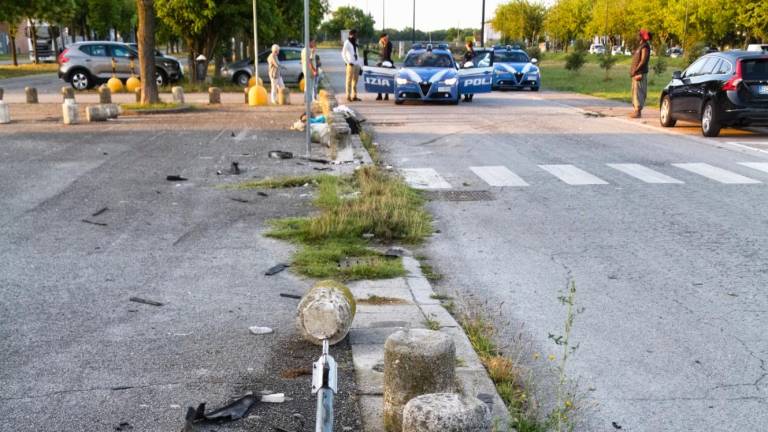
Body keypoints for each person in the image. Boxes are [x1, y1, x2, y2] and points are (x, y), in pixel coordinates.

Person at [629, 30, 652, 118]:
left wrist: (636, 70)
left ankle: (638, 111)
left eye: (639, 35)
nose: (637, 37)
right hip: (636, 73)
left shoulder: (645, 47)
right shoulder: (640, 46)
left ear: (642, 37)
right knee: (635, 91)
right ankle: (636, 110)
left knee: (639, 92)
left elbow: (643, 61)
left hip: (640, 73)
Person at [342, 29, 362, 102]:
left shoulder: (355, 43)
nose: (357, 36)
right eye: (356, 34)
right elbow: (343, 53)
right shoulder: (347, 42)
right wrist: (347, 62)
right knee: (349, 80)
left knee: (355, 81)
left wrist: (360, 65)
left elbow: (357, 54)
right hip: (350, 64)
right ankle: (348, 96)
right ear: (352, 34)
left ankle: (354, 96)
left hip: (356, 64)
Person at [376, 33, 394, 101]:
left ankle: (386, 95)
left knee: (387, 79)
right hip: (380, 62)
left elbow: (387, 54)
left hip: (387, 63)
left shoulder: (389, 44)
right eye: (385, 38)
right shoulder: (380, 43)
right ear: (381, 38)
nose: (386, 39)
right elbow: (379, 53)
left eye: (386, 38)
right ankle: (379, 95)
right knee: (379, 79)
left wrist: (385, 44)